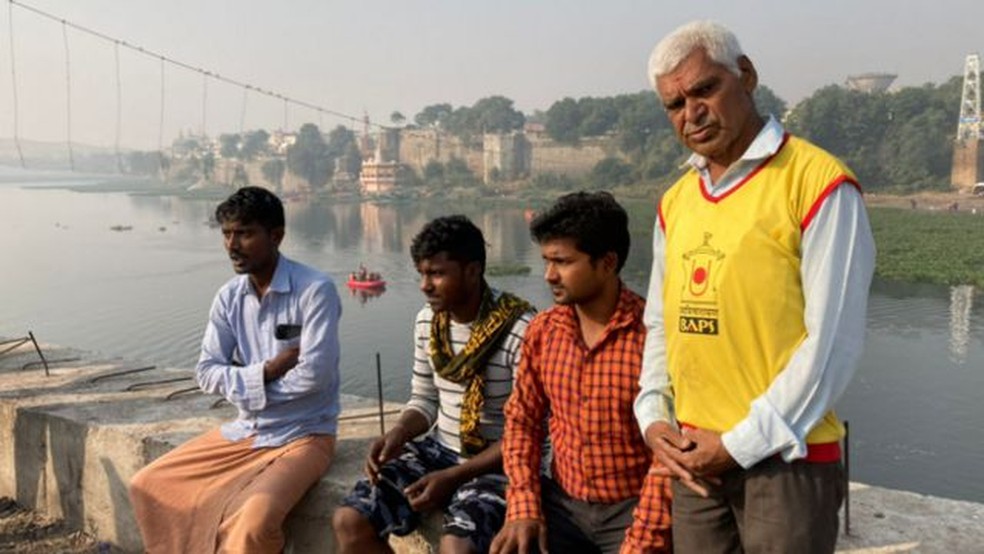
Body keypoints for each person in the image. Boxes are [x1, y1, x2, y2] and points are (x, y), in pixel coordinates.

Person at [634, 21, 876, 553]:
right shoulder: (677, 202)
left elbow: (832, 345)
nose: (691, 113)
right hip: (695, 456)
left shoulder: (817, 184)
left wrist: (740, 444)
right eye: (674, 104)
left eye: (704, 90)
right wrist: (652, 415)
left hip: (785, 460)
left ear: (745, 76)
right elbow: (660, 323)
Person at [129, 186, 341, 553]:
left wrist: (246, 387)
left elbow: (315, 376)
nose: (232, 244)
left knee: (253, 525)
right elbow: (206, 371)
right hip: (246, 431)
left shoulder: (315, 290)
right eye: (226, 234)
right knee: (148, 484)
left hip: (305, 435)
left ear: (276, 236)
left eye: (244, 233)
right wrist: (267, 371)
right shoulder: (229, 297)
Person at [332, 215, 535, 554]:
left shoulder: (522, 330)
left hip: (501, 464)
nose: (425, 285)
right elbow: (424, 399)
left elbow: (528, 434)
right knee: (349, 521)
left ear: (472, 271)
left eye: (437, 274)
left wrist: (455, 477)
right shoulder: (428, 321)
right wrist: (398, 434)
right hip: (439, 450)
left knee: (457, 548)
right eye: (422, 274)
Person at [491, 192, 671, 554]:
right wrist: (524, 504)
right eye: (546, 261)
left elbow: (667, 456)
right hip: (563, 504)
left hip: (633, 507)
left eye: (563, 262)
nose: (549, 275)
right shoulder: (543, 332)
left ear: (607, 262)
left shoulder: (652, 337)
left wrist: (642, 540)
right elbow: (522, 421)